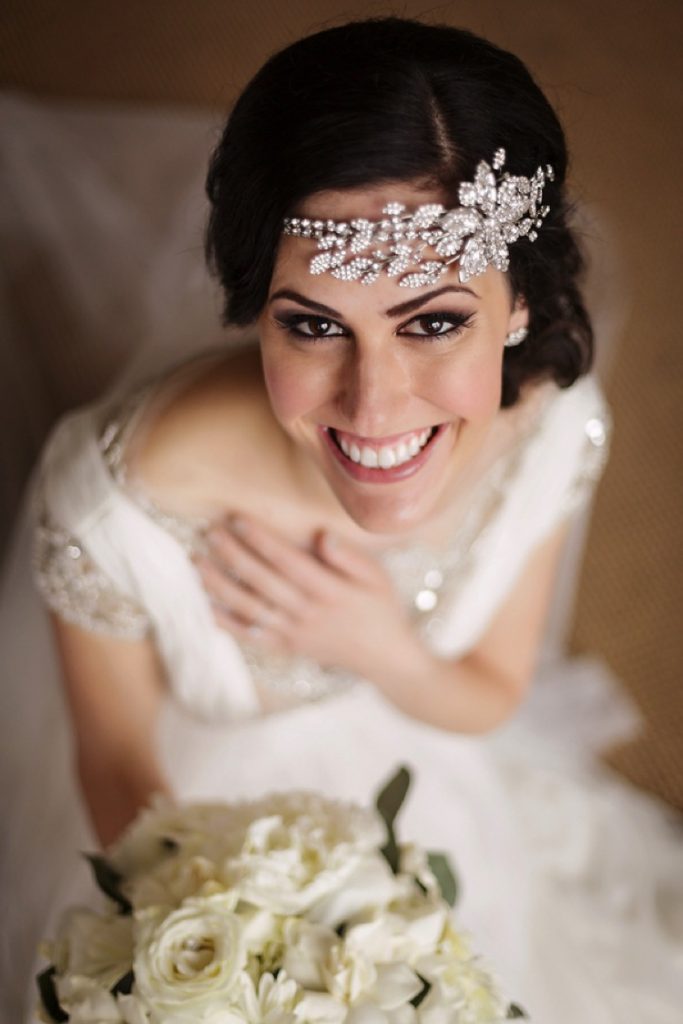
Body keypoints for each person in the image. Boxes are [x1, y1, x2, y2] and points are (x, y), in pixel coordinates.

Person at [2, 17, 682, 1023]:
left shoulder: (553, 429)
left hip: (429, 762)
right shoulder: (117, 508)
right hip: (192, 827)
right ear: (255, 305)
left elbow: (491, 687)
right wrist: (253, 956)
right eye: (313, 325)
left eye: (434, 322)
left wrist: (383, 648)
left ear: (521, 307)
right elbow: (111, 766)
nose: (372, 409)